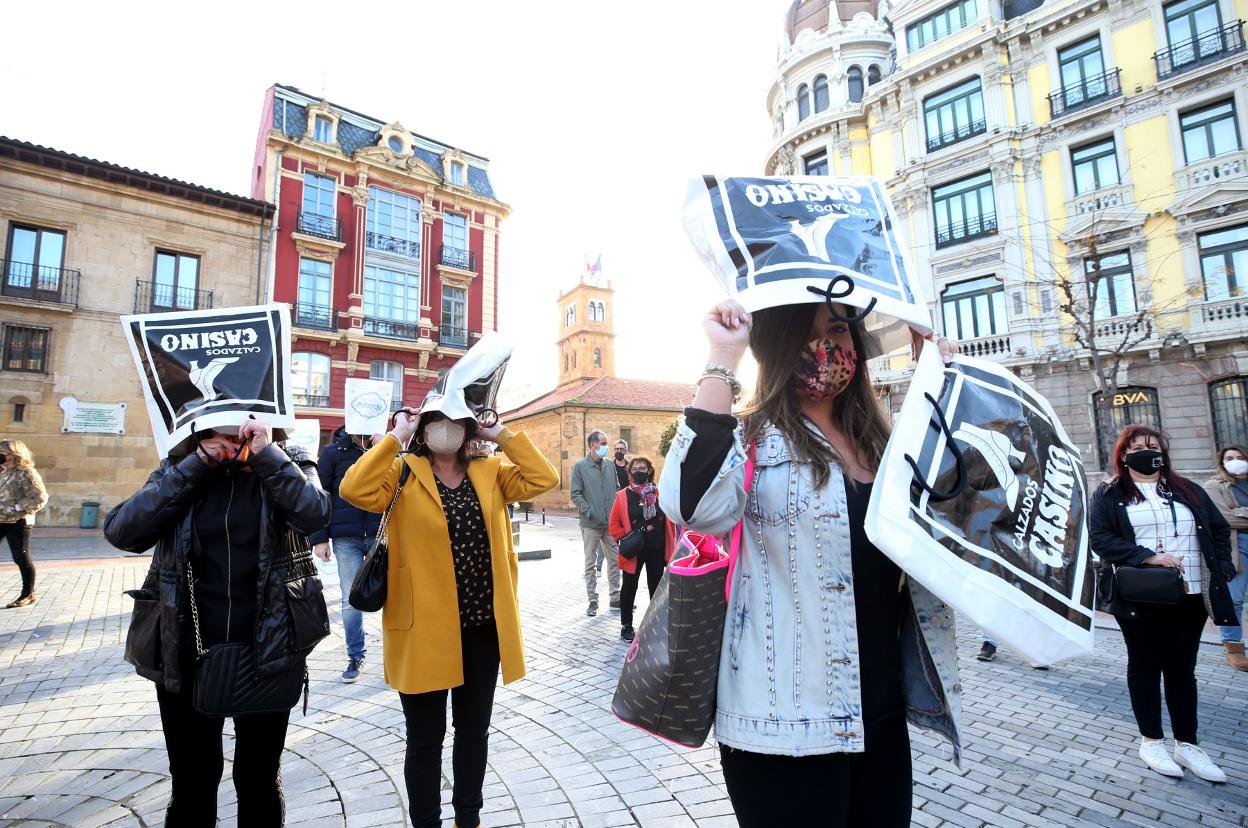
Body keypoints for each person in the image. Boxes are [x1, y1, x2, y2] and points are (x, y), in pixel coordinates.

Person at [660, 298, 961, 827]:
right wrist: (723, 356)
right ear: (777, 343)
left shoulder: (885, 443)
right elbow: (690, 505)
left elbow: (960, 516)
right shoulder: (749, 440)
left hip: (879, 715)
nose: (828, 347)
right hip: (781, 727)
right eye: (808, 330)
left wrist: (943, 381)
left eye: (840, 330)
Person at [104, 419, 331, 825]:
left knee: (258, 777)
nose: (234, 431)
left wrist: (267, 456)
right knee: (192, 779)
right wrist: (195, 464)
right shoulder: (179, 467)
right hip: (184, 649)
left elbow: (314, 515)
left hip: (270, 648)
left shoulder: (289, 461)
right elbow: (123, 532)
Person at [339, 409, 557, 828]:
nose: (446, 429)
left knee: (473, 733)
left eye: (456, 421)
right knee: (424, 739)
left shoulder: (491, 471)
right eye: (436, 420)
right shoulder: (402, 471)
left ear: (468, 427)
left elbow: (543, 477)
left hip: (482, 628)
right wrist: (395, 437)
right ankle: (426, 822)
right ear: (422, 427)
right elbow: (353, 488)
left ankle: (467, 818)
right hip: (422, 628)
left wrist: (502, 434)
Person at [1090, 425, 1236, 782]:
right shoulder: (1109, 494)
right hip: (1140, 595)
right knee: (1144, 665)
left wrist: (1222, 565)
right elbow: (1101, 539)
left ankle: (1187, 744)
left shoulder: (1188, 490)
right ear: (1123, 455)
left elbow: (1218, 529)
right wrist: (1147, 556)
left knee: (1182, 670)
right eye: (1137, 447)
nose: (1147, 452)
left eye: (1153, 447)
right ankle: (1152, 740)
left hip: (1190, 594)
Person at [311, 427, 383, 683]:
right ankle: (355, 656)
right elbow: (320, 495)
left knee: (393, 598)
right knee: (350, 600)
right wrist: (320, 538)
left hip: (380, 535)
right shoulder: (332, 452)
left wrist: (386, 448)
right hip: (345, 538)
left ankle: (396, 656)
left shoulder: (387, 449)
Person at [608, 455, 675, 641]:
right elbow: (614, 524)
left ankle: (655, 624)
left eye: (643, 468)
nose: (639, 471)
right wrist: (625, 539)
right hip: (634, 550)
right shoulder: (623, 496)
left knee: (656, 587)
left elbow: (670, 518)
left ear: (650, 471)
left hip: (656, 547)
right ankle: (626, 626)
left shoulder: (660, 493)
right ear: (630, 473)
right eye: (635, 469)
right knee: (629, 587)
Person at [1202, 444, 1248, 671]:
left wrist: (1240, 512)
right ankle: (1233, 648)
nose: (1235, 460)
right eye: (1230, 458)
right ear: (1222, 462)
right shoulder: (1214, 485)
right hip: (1237, 546)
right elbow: (1223, 518)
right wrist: (1239, 514)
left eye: (1240, 457)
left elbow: (1235, 515)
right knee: (1234, 598)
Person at [571, 430, 622, 616]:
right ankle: (593, 601)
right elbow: (575, 494)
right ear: (593, 445)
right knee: (590, 563)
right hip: (590, 524)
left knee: (615, 560)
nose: (607, 447)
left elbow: (617, 489)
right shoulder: (580, 466)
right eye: (604, 443)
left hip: (609, 524)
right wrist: (589, 512)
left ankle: (615, 598)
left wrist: (616, 514)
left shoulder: (610, 465)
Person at [0, 440, 48, 608]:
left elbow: (40, 497)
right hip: (1, 519)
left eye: (2, 453)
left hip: (19, 521)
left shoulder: (26, 472)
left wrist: (16, 508)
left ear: (14, 454)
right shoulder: (4, 471)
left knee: (20, 556)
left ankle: (28, 594)